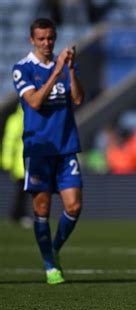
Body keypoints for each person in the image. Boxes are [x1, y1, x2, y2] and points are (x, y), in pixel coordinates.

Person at [12, 18, 84, 285]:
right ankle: (49, 264)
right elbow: (33, 102)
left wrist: (71, 70)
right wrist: (56, 71)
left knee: (74, 206)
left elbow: (77, 99)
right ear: (32, 40)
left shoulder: (65, 66)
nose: (47, 43)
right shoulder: (23, 68)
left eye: (50, 38)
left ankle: (54, 249)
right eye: (41, 39)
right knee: (42, 208)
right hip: (39, 149)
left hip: (66, 148)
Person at [1, 104, 31, 228]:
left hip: (28, 161)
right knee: (23, 190)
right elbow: (9, 142)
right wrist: (6, 161)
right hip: (21, 162)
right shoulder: (17, 120)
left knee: (24, 190)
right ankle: (20, 215)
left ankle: (18, 215)